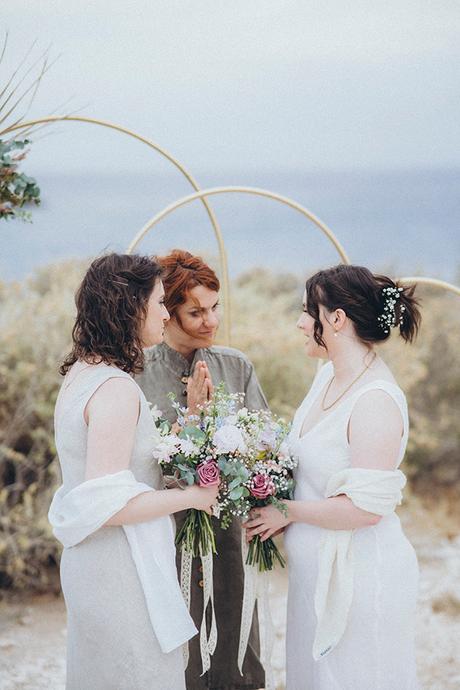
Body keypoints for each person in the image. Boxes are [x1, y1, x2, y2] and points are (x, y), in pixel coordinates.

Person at [244, 264, 421, 690]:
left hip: (359, 581)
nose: (301, 323)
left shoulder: (375, 401)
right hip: (314, 578)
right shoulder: (327, 376)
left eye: (309, 311)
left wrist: (283, 511)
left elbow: (365, 509)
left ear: (336, 319)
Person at [48, 253, 219, 690]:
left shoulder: (84, 375)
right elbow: (109, 502)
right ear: (131, 308)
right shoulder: (116, 389)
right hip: (120, 567)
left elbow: (125, 465)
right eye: (160, 303)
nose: (166, 314)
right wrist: (195, 497)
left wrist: (190, 421)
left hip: (96, 560)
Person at [136, 249, 267, 690]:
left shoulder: (237, 366)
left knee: (236, 650)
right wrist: (187, 425)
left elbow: (263, 448)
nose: (210, 321)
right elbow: (138, 465)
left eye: (214, 308)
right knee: (177, 657)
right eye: (196, 312)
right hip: (164, 539)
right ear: (166, 313)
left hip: (228, 538)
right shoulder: (136, 373)